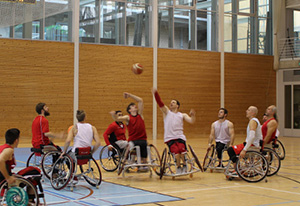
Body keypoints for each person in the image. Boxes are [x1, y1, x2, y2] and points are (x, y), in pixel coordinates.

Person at [152, 88, 196, 174]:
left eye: (173, 102)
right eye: (171, 102)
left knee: (182, 151)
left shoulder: (182, 115)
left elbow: (191, 121)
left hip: (180, 137)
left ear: (177, 106)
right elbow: (160, 103)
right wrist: (156, 94)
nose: (171, 103)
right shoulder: (167, 113)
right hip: (170, 138)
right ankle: (178, 167)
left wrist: (193, 115)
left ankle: (184, 165)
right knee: (176, 152)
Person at [0, 128, 41, 204]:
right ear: (16, 140)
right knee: (34, 171)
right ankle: (31, 200)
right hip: (4, 180)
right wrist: (8, 177)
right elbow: (0, 161)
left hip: (3, 177)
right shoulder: (8, 150)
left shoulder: (1, 147)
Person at [110, 92, 148, 171]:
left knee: (145, 154)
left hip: (143, 139)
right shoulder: (128, 117)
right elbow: (117, 119)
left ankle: (142, 165)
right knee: (129, 147)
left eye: (135, 105)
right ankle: (125, 162)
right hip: (133, 140)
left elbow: (140, 100)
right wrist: (113, 115)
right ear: (130, 110)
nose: (135, 106)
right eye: (132, 106)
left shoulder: (140, 115)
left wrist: (130, 95)